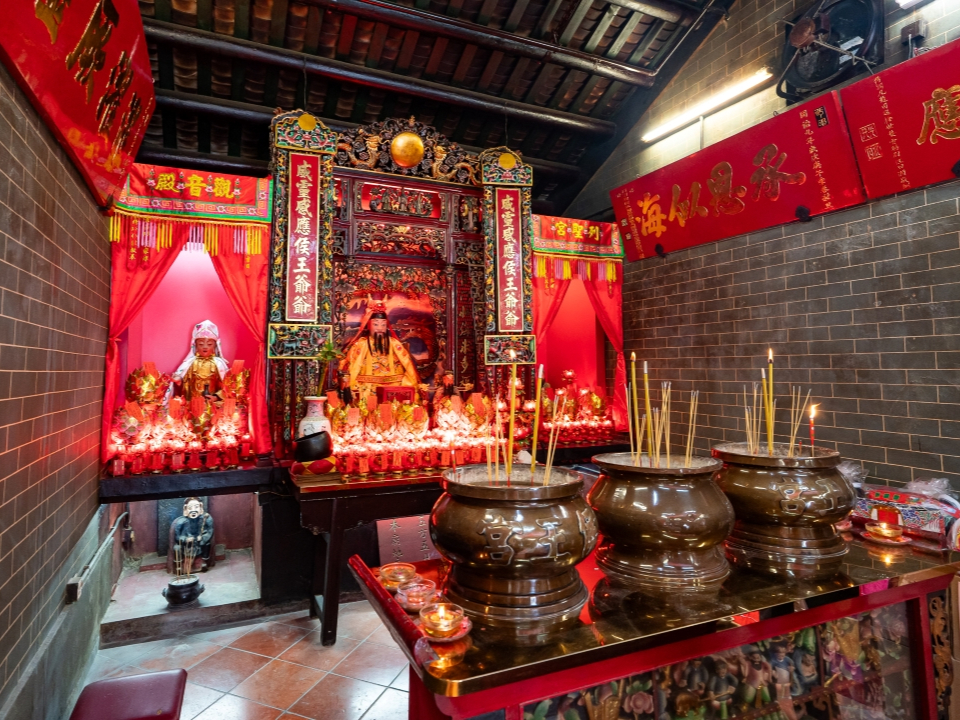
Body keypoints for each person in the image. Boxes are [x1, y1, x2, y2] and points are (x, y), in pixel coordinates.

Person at [340, 299, 420, 405]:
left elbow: (408, 366)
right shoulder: (361, 345)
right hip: (366, 389)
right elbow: (351, 368)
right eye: (376, 324)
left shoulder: (394, 344)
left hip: (393, 388)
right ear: (369, 325)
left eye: (383, 324)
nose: (380, 328)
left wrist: (409, 385)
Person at [173, 320, 230, 401]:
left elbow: (226, 386)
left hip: (212, 405)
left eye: (209, 344)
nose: (205, 347)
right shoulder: (190, 363)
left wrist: (216, 397)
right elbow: (184, 384)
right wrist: (178, 381)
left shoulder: (219, 364)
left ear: (215, 347)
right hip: (193, 403)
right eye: (201, 344)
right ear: (195, 346)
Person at [171, 497, 215, 571]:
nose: (193, 510)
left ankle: (204, 562)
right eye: (190, 508)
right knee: (177, 548)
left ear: (201, 507)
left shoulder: (206, 519)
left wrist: (203, 538)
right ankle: (179, 566)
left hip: (199, 543)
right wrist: (185, 539)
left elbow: (210, 531)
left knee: (207, 544)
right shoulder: (181, 522)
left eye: (196, 507)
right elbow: (177, 537)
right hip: (186, 546)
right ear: (185, 509)